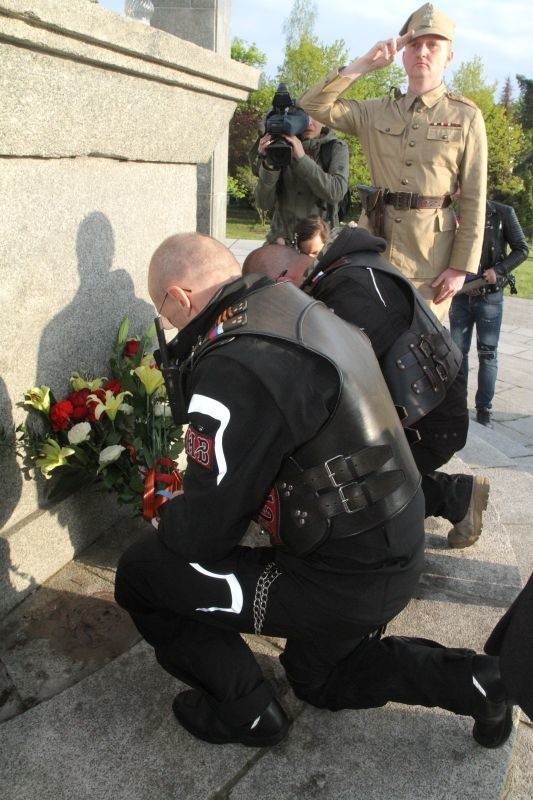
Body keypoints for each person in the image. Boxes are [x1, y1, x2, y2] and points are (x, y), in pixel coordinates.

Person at [115, 232, 512, 750]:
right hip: (391, 543)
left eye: (162, 309)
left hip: (343, 576)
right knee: (319, 680)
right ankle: (479, 684)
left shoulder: (235, 357)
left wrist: (163, 504)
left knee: (143, 573)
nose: (168, 324)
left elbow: (203, 537)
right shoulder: (295, 304)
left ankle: (245, 713)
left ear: (180, 296)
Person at [244, 228, 489, 549]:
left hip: (431, 421)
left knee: (335, 495)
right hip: (426, 401)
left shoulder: (346, 294)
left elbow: (333, 391)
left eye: (272, 299)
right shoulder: (343, 270)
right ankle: (457, 495)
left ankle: (452, 497)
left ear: (283, 279)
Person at [298, 3, 487, 321]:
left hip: (429, 262)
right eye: (414, 44)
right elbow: (313, 103)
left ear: (449, 56)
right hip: (374, 250)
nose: (422, 52)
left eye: (433, 45)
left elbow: (473, 199)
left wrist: (459, 267)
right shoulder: (376, 111)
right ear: (402, 53)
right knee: (365, 346)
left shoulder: (465, 117)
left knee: (421, 356)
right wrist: (366, 63)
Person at [449, 200, 529, 428]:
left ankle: (484, 410)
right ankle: (457, 405)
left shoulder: (502, 213)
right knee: (457, 353)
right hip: (461, 294)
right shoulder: (452, 213)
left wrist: (499, 270)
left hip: (489, 295)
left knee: (487, 353)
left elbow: (522, 249)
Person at [252, 114, 349, 245]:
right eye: (302, 116)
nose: (309, 122)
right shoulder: (280, 146)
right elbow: (263, 203)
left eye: (314, 115)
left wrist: (302, 159)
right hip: (281, 241)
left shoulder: (336, 148)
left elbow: (335, 192)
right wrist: (269, 163)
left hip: (319, 244)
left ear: (325, 121)